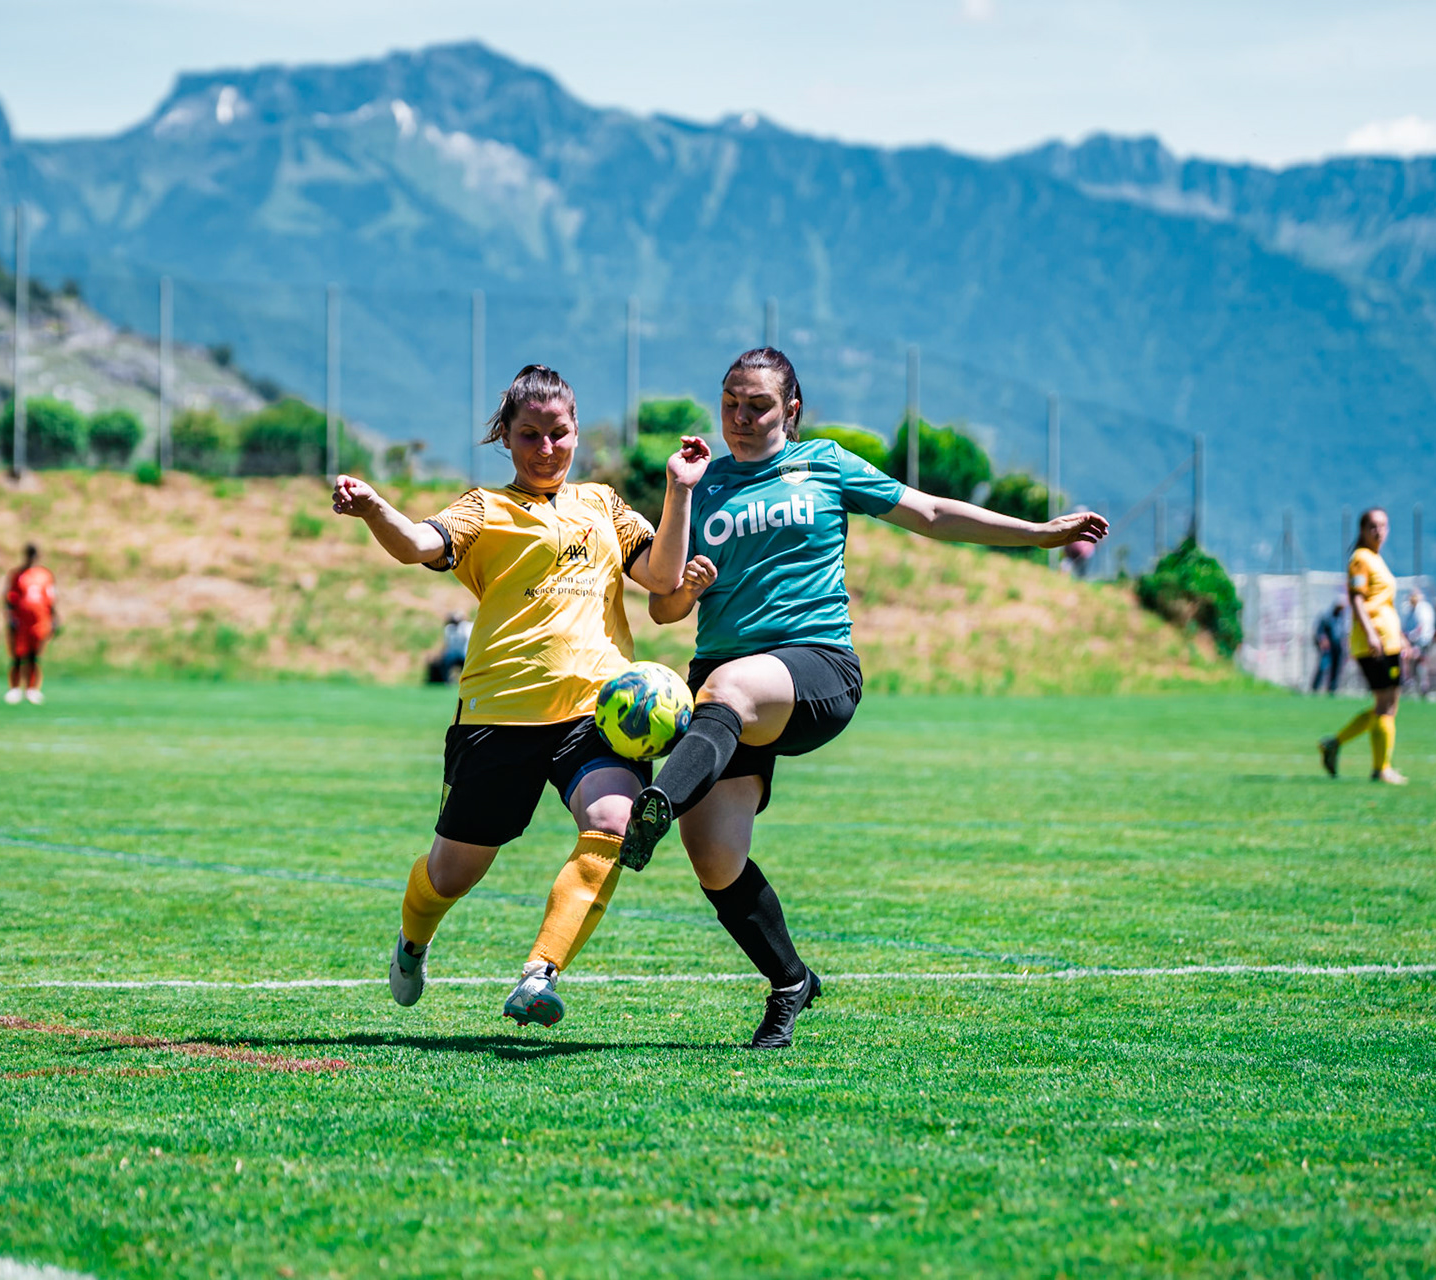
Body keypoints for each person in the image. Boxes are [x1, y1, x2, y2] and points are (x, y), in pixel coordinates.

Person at [619, 348, 1108, 1048]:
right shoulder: (705, 483)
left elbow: (933, 513)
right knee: (716, 861)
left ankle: (656, 803)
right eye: (730, 400)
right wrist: (688, 582)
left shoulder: (826, 462)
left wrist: (1036, 535)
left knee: (726, 690)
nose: (740, 415)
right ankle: (790, 981)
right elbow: (664, 610)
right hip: (725, 689)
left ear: (791, 411)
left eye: (757, 404)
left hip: (813, 666)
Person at [330, 364, 702, 1027]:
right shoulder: (484, 508)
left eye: (558, 433)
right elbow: (418, 544)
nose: (546, 449)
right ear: (506, 437)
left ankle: (541, 973)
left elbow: (663, 576)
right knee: (452, 873)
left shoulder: (605, 506)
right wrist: (374, 508)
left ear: (576, 431)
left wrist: (679, 489)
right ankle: (413, 940)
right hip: (499, 715)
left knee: (615, 824)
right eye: (529, 435)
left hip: (598, 710)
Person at [1318, 508, 1407, 784]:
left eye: (1383, 526)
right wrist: (1370, 634)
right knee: (1384, 703)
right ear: (1362, 529)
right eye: (1373, 526)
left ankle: (1335, 744)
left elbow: (1384, 603)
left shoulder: (1377, 559)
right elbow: (1357, 599)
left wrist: (1401, 637)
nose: (1379, 531)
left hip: (1389, 641)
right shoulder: (1360, 559)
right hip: (1374, 642)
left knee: (1389, 704)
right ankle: (1381, 768)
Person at [3, 544, 58, 705]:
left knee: (34, 656)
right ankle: (14, 688)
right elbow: (9, 598)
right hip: (22, 621)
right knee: (18, 655)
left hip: (40, 621)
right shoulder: (17, 575)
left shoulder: (45, 575)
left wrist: (54, 619)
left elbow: (51, 599)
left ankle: (32, 689)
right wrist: (11, 617)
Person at [1403, 588, 1435, 698]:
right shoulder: (1410, 609)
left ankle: (1423, 686)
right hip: (1414, 641)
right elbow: (1406, 625)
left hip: (1422, 641)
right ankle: (1414, 684)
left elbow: (1422, 626)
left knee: (1420, 662)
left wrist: (1413, 635)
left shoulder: (1423, 609)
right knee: (1412, 662)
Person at [426, 611, 473, 684]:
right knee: (444, 662)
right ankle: (446, 681)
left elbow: (467, 637)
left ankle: (468, 681)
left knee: (468, 666)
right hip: (452, 654)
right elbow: (447, 644)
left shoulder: (466, 627)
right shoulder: (449, 629)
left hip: (464, 654)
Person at [1310, 602, 1346, 694]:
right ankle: (1315, 688)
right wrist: (1322, 640)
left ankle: (1332, 689)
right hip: (1327, 649)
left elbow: (1343, 634)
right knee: (1323, 666)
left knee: (1336, 668)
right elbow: (1319, 631)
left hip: (1337, 649)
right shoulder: (1326, 617)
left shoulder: (1341, 618)